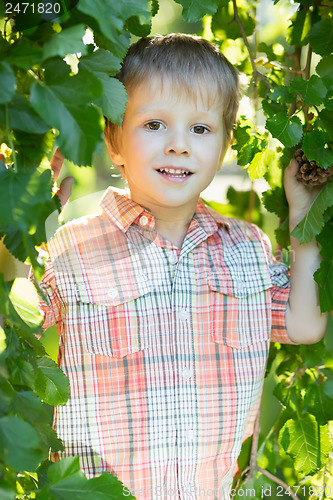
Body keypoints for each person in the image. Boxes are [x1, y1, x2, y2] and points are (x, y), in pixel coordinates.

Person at [38, 34, 327, 500]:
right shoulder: (72, 249)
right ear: (114, 140)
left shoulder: (246, 249)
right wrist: (23, 225)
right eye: (154, 124)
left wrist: (302, 216)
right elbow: (14, 328)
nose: (178, 145)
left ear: (225, 144)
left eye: (200, 129)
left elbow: (304, 323)